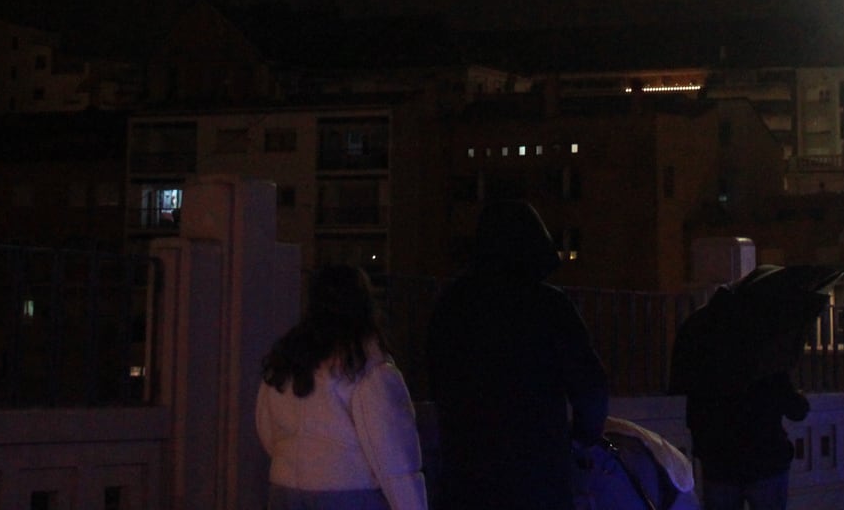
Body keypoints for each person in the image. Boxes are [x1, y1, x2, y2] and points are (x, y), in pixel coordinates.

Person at [426, 199, 608, 509]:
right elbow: (590, 388)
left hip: (466, 477)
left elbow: (435, 378)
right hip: (538, 478)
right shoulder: (550, 306)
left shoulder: (452, 305)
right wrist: (579, 439)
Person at [254, 265, 427, 510]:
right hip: (351, 493)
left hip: (284, 491)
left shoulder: (286, 363)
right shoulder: (369, 369)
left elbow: (268, 431)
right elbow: (396, 458)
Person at [682, 358, 809, 510]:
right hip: (765, 460)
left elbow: (694, 417)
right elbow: (796, 410)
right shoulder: (767, 364)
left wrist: (704, 453)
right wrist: (799, 396)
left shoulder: (708, 365)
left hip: (721, 463)